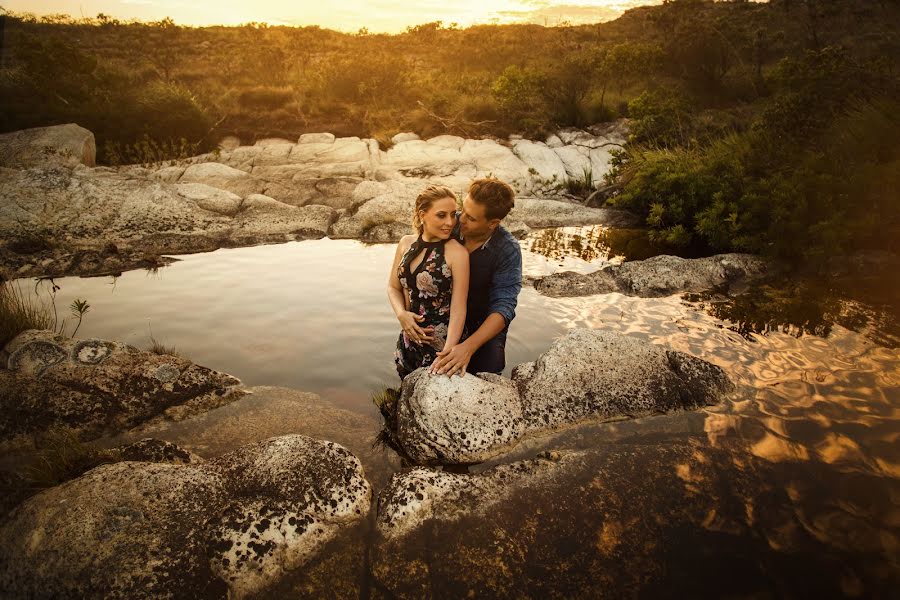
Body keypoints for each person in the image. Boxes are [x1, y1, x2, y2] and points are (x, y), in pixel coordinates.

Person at [429, 177, 522, 377]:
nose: (460, 219)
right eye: (463, 210)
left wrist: (468, 347)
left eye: (471, 218)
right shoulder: (450, 225)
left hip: (482, 327)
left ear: (493, 223)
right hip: (442, 317)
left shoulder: (508, 250)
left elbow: (504, 307)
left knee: (489, 374)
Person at [387, 184, 469, 379]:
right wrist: (401, 315)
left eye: (453, 214)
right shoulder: (406, 243)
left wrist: (447, 354)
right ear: (422, 214)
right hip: (409, 338)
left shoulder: (457, 253)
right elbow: (393, 287)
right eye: (441, 215)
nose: (450, 222)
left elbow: (459, 309)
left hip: (442, 345)